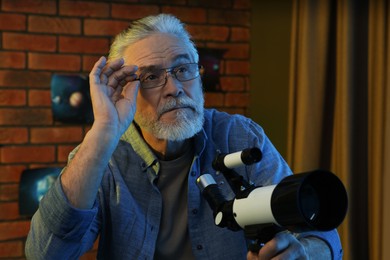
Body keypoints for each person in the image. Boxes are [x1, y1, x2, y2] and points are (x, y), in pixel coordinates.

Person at [25, 14, 343, 260]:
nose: (175, 88)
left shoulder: (240, 137)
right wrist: (104, 131)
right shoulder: (100, 154)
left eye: (182, 70)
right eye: (151, 77)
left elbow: (320, 232)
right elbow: (46, 253)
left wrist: (304, 252)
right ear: (125, 92)